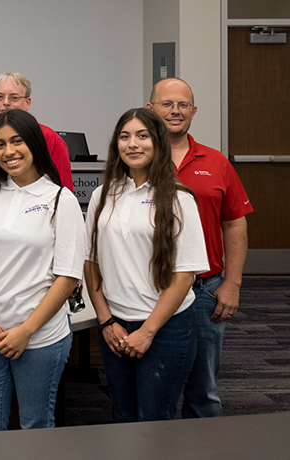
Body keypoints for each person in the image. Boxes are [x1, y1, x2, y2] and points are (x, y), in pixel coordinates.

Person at [0, 109, 85, 431]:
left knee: (35, 426)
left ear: (35, 144)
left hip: (41, 336)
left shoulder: (59, 199)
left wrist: (26, 331)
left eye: (17, 141)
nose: (8, 151)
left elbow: (67, 276)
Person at [84, 108, 208, 422]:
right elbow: (91, 263)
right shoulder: (102, 196)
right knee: (123, 415)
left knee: (153, 419)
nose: (133, 144)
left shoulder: (180, 199)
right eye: (125, 137)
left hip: (166, 328)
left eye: (142, 136)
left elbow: (185, 275)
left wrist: (148, 332)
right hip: (114, 326)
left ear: (158, 143)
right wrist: (105, 321)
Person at [147, 78, 253, 418]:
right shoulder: (135, 159)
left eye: (182, 105)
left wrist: (232, 284)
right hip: (148, 290)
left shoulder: (217, 162)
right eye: (167, 104)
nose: (175, 111)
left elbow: (235, 223)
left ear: (193, 112)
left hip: (204, 289)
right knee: (152, 385)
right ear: (151, 109)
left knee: (203, 389)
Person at [0, 72, 73, 191]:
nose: (6, 102)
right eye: (0, 97)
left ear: (28, 103)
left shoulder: (50, 139)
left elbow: (63, 189)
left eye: (14, 98)